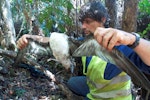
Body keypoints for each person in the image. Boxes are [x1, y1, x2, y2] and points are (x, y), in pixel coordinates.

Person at [17, 1, 150, 100]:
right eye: (82, 22)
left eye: (87, 21)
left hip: (116, 98)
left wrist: (134, 40)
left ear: (102, 20)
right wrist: (30, 38)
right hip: (94, 92)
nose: (83, 26)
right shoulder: (86, 42)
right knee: (71, 82)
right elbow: (58, 41)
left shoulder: (119, 45)